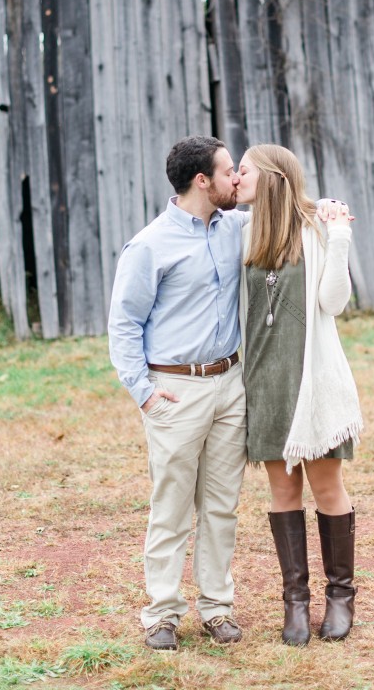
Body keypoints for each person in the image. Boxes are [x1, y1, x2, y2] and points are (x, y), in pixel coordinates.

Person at [108, 136, 247, 652]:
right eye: (230, 171)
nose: (238, 179)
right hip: (174, 389)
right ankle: (162, 613)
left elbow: (284, 214)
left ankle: (216, 608)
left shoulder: (237, 226)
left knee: (221, 505)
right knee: (171, 505)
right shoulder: (150, 245)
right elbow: (124, 325)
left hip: (231, 385)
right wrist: (144, 393)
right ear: (201, 180)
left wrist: (320, 208)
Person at [235, 144, 363, 647]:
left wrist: (341, 235)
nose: (235, 179)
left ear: (270, 176)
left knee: (326, 487)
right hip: (265, 381)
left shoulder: (316, 227)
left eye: (242, 171)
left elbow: (334, 301)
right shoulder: (243, 232)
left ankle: (340, 597)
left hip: (313, 381)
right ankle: (295, 603)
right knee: (283, 492)